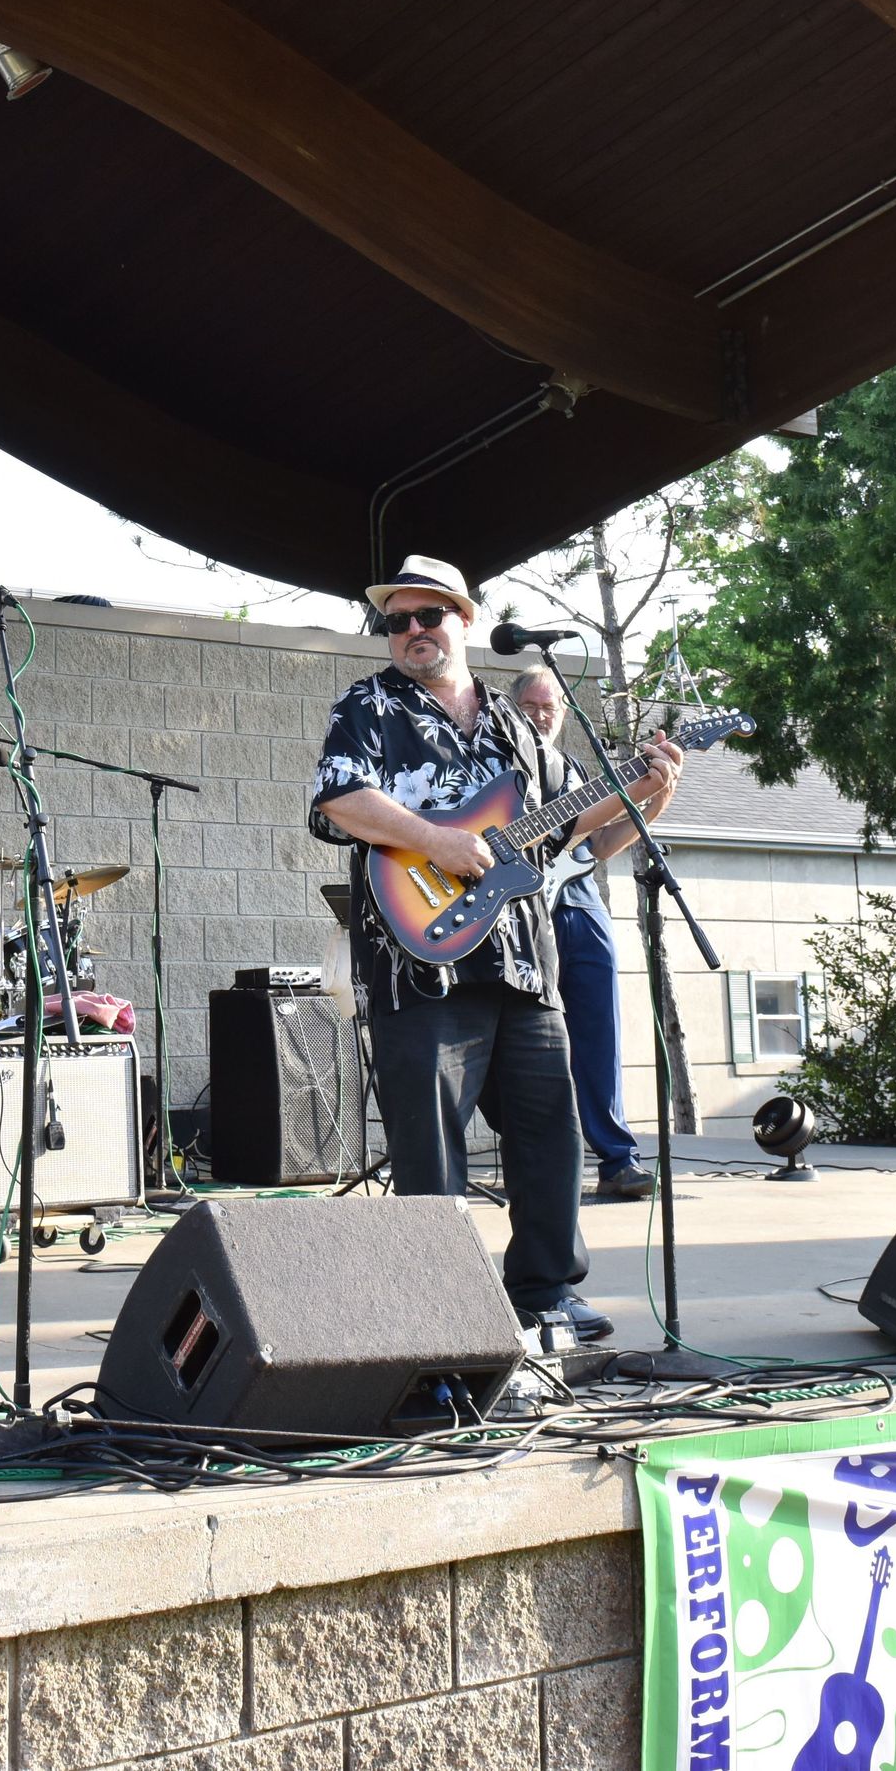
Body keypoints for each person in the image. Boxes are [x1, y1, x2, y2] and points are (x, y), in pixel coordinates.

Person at [309, 558, 680, 1340]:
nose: (411, 631)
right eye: (396, 621)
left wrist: (649, 786)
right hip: (422, 967)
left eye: (427, 616)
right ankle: (444, 1311)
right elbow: (341, 798)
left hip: (522, 959)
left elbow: (569, 825)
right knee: (431, 1147)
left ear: (464, 619)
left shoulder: (517, 724)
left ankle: (546, 1292)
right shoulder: (370, 704)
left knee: (550, 1132)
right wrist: (436, 840)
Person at [509, 666, 657, 1204]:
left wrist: (657, 792)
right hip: (524, 913)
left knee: (599, 1035)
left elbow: (600, 845)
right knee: (533, 1041)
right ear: (511, 709)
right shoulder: (501, 772)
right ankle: (542, 1163)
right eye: (531, 706)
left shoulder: (573, 773)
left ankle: (619, 1161)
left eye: (551, 708)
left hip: (580, 904)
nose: (542, 716)